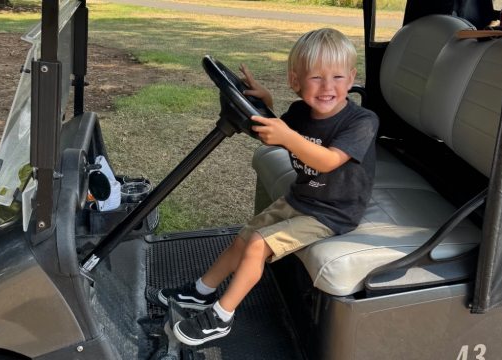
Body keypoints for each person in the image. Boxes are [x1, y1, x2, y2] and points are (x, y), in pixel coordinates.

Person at [158, 28, 379, 346]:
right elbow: (279, 126)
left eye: (338, 77)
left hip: (333, 213)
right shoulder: (302, 113)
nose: (328, 87)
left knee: (258, 244)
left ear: (352, 77)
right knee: (245, 237)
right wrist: (266, 102)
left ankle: (221, 317)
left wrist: (289, 137)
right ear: (296, 81)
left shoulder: (362, 121)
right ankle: (201, 292)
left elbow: (328, 161)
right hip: (302, 198)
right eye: (316, 78)